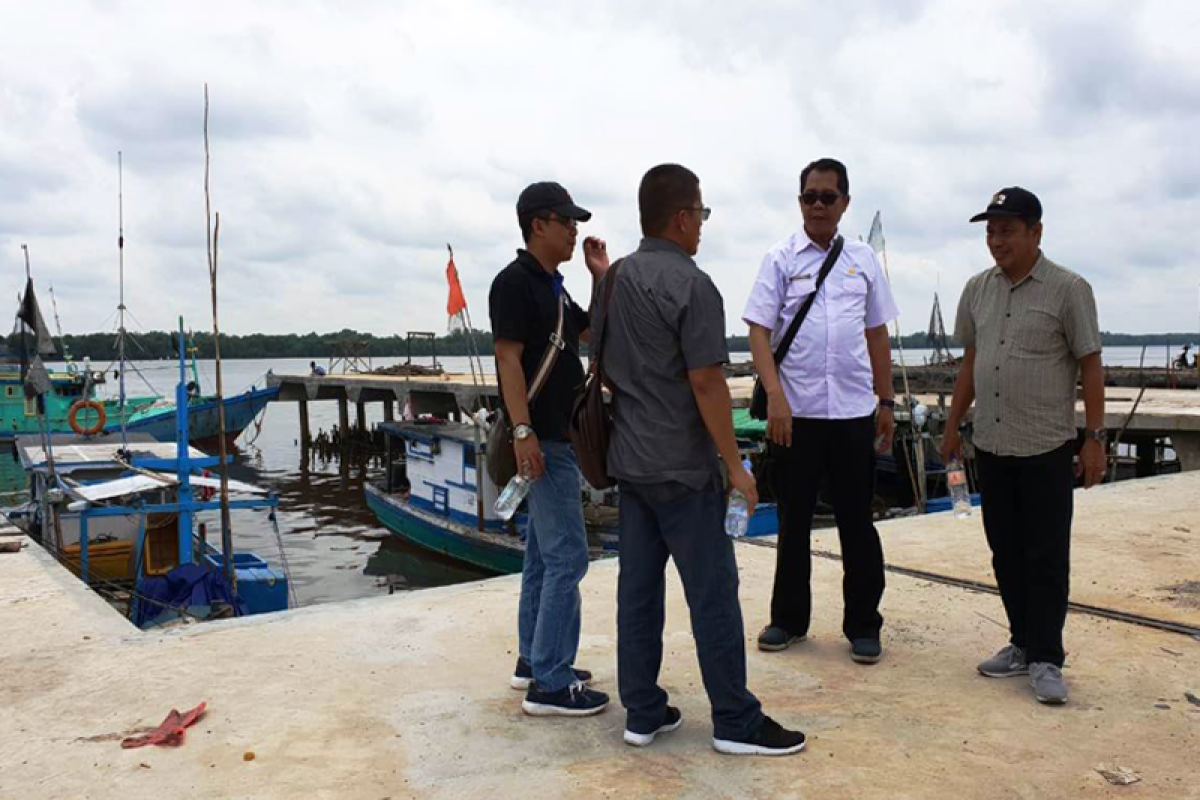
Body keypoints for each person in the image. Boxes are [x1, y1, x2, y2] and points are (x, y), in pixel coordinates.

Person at [599, 163, 806, 756]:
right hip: (685, 469)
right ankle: (735, 721)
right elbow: (708, 383)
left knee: (637, 592)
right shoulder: (694, 285)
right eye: (702, 215)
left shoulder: (613, 280)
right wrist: (736, 466)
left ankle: (641, 710)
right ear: (684, 217)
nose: (702, 227)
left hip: (631, 464)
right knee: (712, 594)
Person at [941, 186, 1105, 706]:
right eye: (990, 230)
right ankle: (1020, 641)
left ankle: (1047, 659)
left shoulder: (1069, 288)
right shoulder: (977, 289)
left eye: (1007, 230)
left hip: (1046, 447)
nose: (996, 240)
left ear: (1036, 232)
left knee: (1046, 557)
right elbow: (970, 361)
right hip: (991, 443)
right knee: (1005, 554)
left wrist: (1094, 438)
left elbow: (1091, 364)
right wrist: (951, 424)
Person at [743, 158, 898, 665]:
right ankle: (788, 619)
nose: (817, 205)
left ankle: (863, 625)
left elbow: (877, 333)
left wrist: (886, 400)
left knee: (858, 521)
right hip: (797, 414)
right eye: (809, 195)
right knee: (793, 520)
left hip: (853, 412)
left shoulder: (862, 261)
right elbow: (759, 332)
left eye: (827, 197)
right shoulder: (781, 258)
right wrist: (777, 398)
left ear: (844, 203)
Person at [488, 181, 611, 716]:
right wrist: (523, 431)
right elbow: (508, 361)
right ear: (538, 224)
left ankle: (534, 661)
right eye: (566, 221)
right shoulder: (514, 283)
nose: (574, 229)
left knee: (541, 557)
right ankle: (552, 683)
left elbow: (591, 333)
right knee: (568, 558)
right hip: (543, 440)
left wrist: (600, 274)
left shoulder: (554, 287)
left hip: (557, 437)